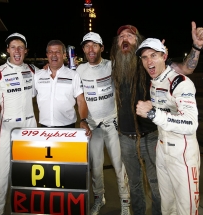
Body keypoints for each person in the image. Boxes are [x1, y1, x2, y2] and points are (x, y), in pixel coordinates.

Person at [110, 22, 203, 215]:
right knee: (149, 192)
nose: (125, 39)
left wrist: (196, 47)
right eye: (121, 37)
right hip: (141, 140)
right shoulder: (117, 66)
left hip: (157, 139)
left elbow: (185, 70)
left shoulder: (166, 73)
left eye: (130, 35)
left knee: (169, 195)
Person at [135, 38, 200, 215]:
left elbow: (191, 123)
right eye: (145, 57)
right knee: (167, 206)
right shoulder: (155, 81)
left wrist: (153, 113)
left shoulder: (180, 82)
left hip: (182, 153)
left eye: (154, 55)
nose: (149, 61)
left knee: (186, 209)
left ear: (165, 56)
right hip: (162, 148)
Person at [76, 32, 131, 215]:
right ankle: (99, 198)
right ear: (83, 49)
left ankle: (125, 202)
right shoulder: (79, 70)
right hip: (92, 126)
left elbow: (131, 66)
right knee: (96, 169)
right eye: (87, 46)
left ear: (102, 48)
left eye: (95, 45)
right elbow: (78, 98)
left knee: (118, 166)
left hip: (112, 123)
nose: (91, 50)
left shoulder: (111, 65)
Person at [0, 33, 38, 215]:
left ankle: (26, 210)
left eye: (20, 47)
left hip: (30, 128)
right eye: (13, 47)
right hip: (6, 129)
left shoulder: (33, 70)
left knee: (30, 173)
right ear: (7, 50)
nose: (17, 51)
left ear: (26, 51)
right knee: (1, 176)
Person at [34, 40, 91, 136]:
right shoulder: (38, 75)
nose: (54, 55)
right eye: (51, 52)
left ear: (64, 55)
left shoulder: (73, 75)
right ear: (47, 55)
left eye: (57, 52)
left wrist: (83, 120)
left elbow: (81, 101)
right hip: (45, 128)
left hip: (67, 128)